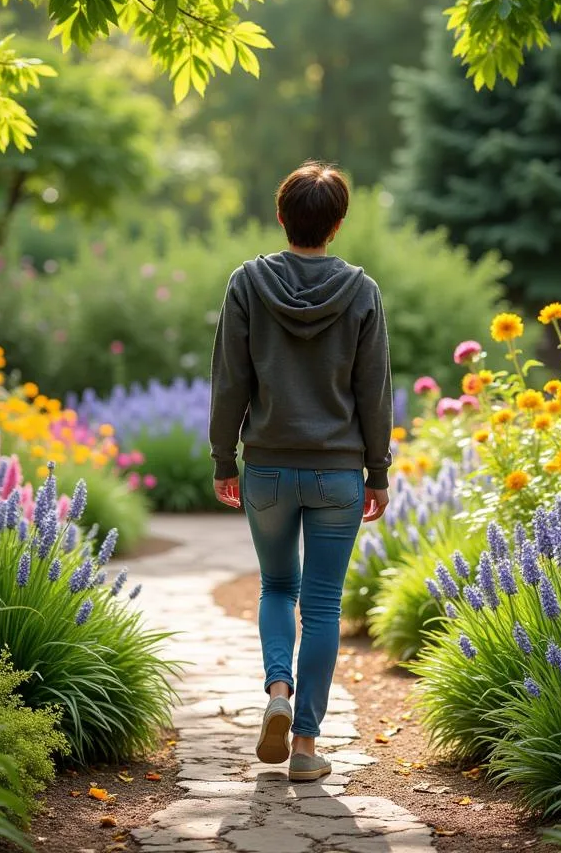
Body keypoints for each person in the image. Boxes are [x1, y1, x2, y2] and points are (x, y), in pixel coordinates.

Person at [208, 161, 392, 783]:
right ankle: (307, 747)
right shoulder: (362, 292)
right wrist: (377, 471)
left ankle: (278, 693)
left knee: (276, 588)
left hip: (265, 468)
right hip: (338, 473)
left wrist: (221, 459)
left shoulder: (246, 283)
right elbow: (375, 392)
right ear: (336, 225)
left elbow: (230, 381)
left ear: (282, 216)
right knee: (321, 604)